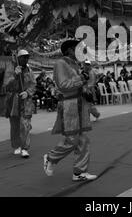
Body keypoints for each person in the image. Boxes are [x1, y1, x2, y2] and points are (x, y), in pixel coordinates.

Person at [43, 39, 97, 181]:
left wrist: (86, 88)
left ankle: (79, 172)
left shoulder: (76, 65)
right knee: (72, 139)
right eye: (77, 49)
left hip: (81, 104)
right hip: (70, 105)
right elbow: (63, 85)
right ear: (69, 50)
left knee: (83, 140)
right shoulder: (61, 63)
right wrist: (81, 78)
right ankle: (50, 157)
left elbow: (83, 82)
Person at [4, 49, 36, 158]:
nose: (25, 59)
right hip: (13, 100)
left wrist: (28, 92)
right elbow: (6, 85)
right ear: (18, 58)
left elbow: (33, 84)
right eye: (23, 57)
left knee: (25, 124)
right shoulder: (11, 68)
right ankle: (16, 145)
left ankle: (25, 148)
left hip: (25, 100)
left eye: (27, 57)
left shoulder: (29, 70)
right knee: (15, 125)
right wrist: (15, 75)